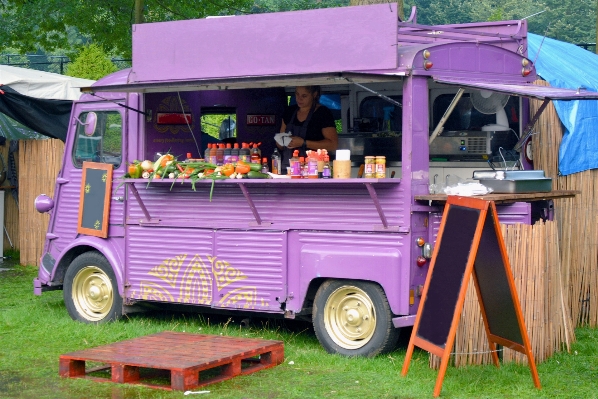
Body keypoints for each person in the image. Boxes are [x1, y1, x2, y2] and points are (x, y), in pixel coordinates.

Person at [278, 86, 338, 165]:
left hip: (314, 168)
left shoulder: (323, 113)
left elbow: (333, 145)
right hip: (288, 167)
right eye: (297, 94)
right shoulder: (289, 112)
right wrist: (284, 141)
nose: (299, 99)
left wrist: (303, 143)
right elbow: (279, 143)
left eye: (304, 96)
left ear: (314, 94)